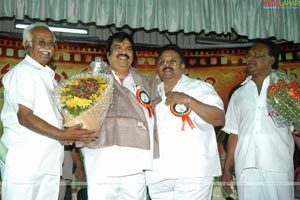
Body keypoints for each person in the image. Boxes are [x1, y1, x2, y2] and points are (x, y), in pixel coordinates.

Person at [0, 22, 97, 200]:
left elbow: (55, 120)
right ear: (26, 44)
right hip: (25, 163)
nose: (47, 47)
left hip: (49, 162)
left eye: (51, 43)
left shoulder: (50, 79)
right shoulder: (24, 72)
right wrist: (62, 135)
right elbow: (25, 117)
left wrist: (75, 132)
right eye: (41, 42)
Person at [81, 31, 160, 200]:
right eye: (117, 48)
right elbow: (76, 112)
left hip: (135, 163)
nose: (124, 52)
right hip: (101, 161)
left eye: (128, 49)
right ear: (108, 55)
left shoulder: (143, 82)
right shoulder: (93, 78)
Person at [145, 44, 225, 200]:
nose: (166, 65)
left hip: (192, 171)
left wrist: (188, 100)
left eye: (173, 61)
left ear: (182, 65)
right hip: (158, 173)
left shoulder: (199, 87)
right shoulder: (151, 92)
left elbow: (219, 118)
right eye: (162, 62)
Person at [221, 39, 298, 200]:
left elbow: (297, 130)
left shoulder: (286, 90)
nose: (250, 58)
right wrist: (227, 168)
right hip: (246, 168)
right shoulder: (239, 94)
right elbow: (234, 133)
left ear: (271, 59)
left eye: (256, 54)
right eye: (248, 55)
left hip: (278, 166)